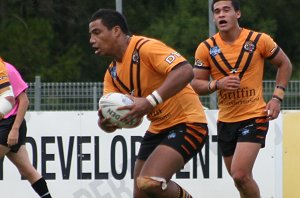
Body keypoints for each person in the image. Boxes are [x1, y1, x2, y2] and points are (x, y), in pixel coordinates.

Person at [89, 9, 208, 198]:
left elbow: (186, 71)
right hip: (158, 128)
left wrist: (149, 101)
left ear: (116, 31)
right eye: (91, 35)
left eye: (97, 32)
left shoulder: (145, 47)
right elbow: (116, 122)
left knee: (150, 181)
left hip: (188, 122)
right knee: (140, 193)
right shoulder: (111, 74)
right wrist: (106, 123)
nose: (92, 40)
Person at [191, 0, 292, 197]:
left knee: (239, 174)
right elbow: (196, 84)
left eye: (226, 10)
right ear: (213, 17)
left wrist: (277, 97)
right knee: (241, 180)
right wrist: (217, 84)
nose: (221, 15)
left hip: (254, 116)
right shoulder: (206, 48)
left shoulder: (258, 40)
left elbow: (284, 64)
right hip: (226, 121)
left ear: (237, 14)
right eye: (217, 12)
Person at [0, 59, 52, 198]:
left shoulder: (8, 70)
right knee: (27, 171)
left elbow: (24, 100)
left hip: (10, 124)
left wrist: (15, 129)